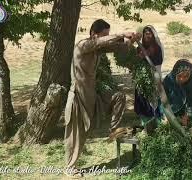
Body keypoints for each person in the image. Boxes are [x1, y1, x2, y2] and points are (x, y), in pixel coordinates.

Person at [64, 19, 141, 176]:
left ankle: (113, 130)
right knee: (77, 134)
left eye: (108, 34)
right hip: (79, 97)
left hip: (93, 95)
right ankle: (70, 168)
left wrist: (131, 40)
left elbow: (119, 47)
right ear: (93, 33)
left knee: (119, 97)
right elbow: (105, 41)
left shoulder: (97, 50)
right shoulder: (82, 46)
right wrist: (121, 33)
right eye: (104, 35)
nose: (106, 38)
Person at [134, 25, 164, 133]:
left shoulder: (157, 48)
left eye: (149, 33)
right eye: (145, 33)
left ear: (153, 35)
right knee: (143, 102)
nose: (147, 35)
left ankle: (158, 126)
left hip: (154, 79)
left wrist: (148, 54)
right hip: (142, 80)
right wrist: (139, 56)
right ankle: (145, 126)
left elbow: (158, 62)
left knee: (155, 102)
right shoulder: (139, 47)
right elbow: (135, 62)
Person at [163, 59, 192, 128]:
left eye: (186, 76)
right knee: (171, 123)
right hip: (175, 104)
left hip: (190, 105)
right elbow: (162, 99)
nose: (182, 79)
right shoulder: (169, 80)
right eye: (179, 76)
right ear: (175, 73)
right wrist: (165, 115)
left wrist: (187, 115)